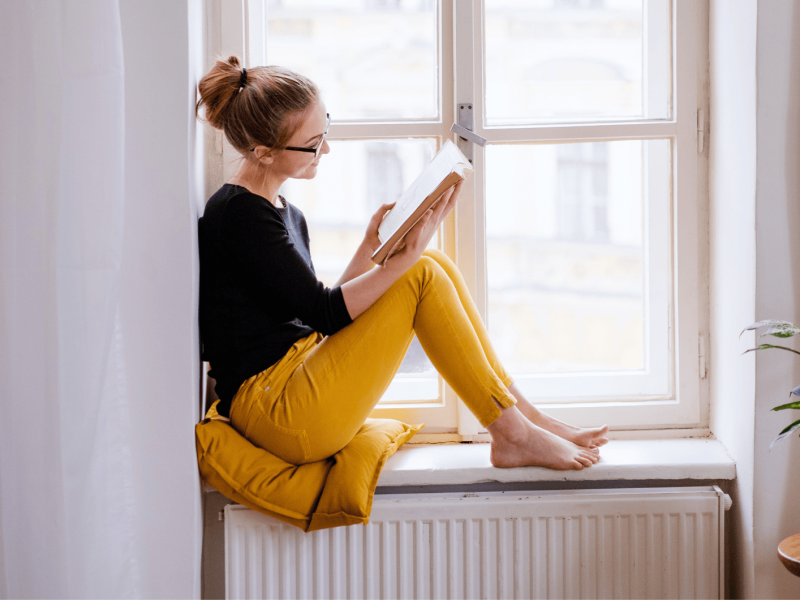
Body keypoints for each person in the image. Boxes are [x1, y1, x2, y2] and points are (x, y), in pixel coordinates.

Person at [197, 57, 609, 471]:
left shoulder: (280, 209)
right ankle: (513, 433)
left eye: (327, 131)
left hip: (291, 380)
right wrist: (400, 262)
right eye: (313, 142)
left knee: (433, 261)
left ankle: (526, 418)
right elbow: (324, 312)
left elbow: (312, 315)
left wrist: (369, 245)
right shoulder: (240, 215)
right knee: (421, 270)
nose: (326, 149)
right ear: (263, 153)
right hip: (278, 413)